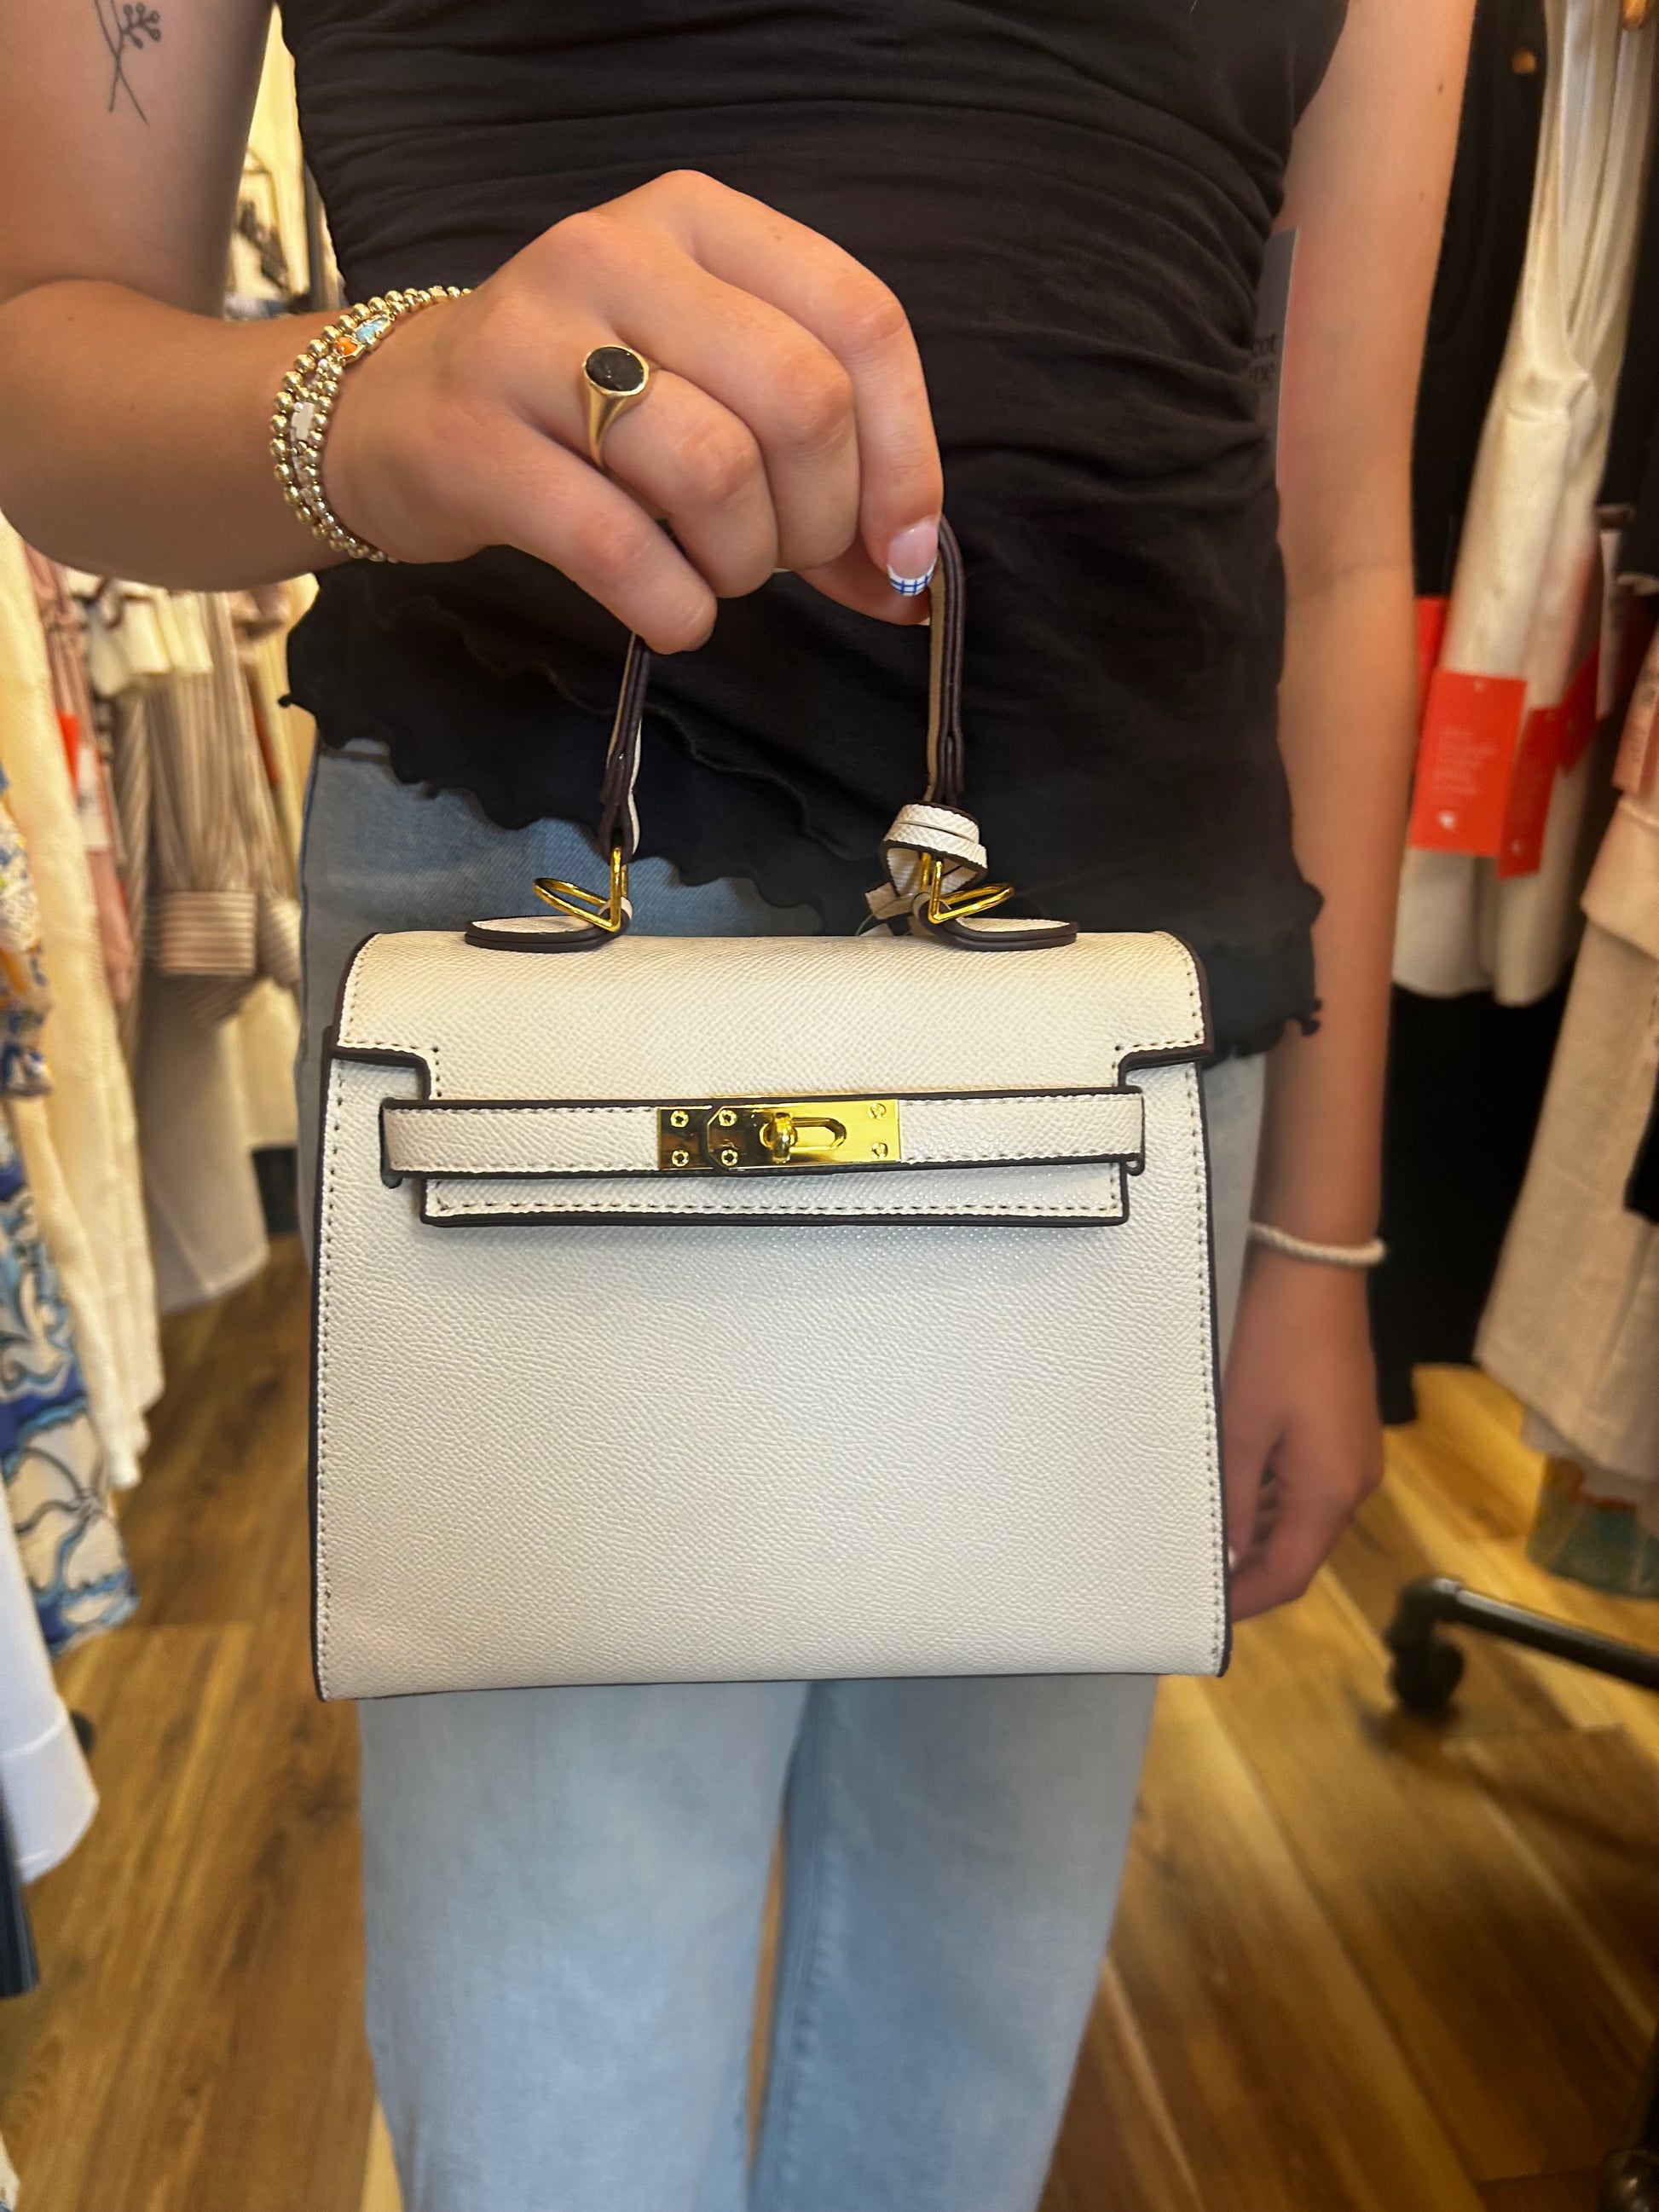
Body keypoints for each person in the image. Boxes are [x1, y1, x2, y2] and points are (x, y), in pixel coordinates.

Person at [0, 0, 1472, 2205]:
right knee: (551, 2098)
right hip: (547, 939)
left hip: (1124, 1028)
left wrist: (1317, 1247)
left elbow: (1339, 541)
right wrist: (385, 396)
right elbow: (38, 344)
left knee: (962, 2047)